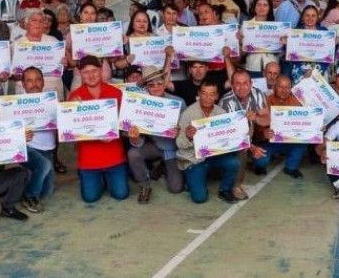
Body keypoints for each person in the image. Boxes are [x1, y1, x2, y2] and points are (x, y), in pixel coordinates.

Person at [67, 55, 128, 203]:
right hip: (88, 159)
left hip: (114, 156)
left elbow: (124, 123)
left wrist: (116, 132)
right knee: (90, 198)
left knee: (121, 194)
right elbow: (70, 132)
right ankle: (98, 178)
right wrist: (72, 110)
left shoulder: (116, 93)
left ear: (101, 71)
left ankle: (107, 178)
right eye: (86, 72)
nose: (91, 75)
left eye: (94, 70)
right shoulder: (74, 97)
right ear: (80, 74)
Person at [175, 81, 241, 204]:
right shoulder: (188, 114)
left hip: (213, 156)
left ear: (217, 96)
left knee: (233, 162)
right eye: (204, 94)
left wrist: (240, 137)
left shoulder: (221, 113)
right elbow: (179, 144)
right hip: (193, 159)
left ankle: (224, 190)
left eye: (212, 94)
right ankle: (191, 179)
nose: (208, 98)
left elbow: (228, 137)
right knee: (200, 198)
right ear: (199, 94)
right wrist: (189, 137)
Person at [126, 66, 185, 204]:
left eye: (159, 83)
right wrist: (134, 138)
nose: (156, 87)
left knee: (176, 188)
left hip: (172, 148)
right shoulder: (138, 105)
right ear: (146, 88)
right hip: (153, 145)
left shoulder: (178, 102)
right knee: (133, 153)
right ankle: (144, 185)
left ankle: (163, 167)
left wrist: (179, 133)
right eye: (151, 85)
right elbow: (137, 141)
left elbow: (188, 133)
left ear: (165, 84)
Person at [12, 67, 57, 214]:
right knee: (44, 165)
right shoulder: (13, 105)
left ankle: (22, 183)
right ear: (23, 85)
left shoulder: (52, 102)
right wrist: (20, 136)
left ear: (43, 82)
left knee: (47, 192)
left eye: (38, 79)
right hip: (27, 148)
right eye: (29, 81)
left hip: (48, 149)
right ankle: (29, 196)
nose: (34, 84)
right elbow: (7, 136)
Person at [219, 70, 267, 201]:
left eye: (245, 83)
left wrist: (256, 118)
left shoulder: (257, 93)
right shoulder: (226, 101)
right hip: (231, 139)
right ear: (232, 85)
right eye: (237, 84)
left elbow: (267, 119)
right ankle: (236, 185)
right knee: (242, 149)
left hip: (250, 135)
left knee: (262, 159)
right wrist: (251, 147)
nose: (241, 87)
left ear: (251, 84)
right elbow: (230, 135)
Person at [252, 75, 307, 179]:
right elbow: (255, 126)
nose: (284, 90)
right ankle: (258, 165)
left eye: (287, 87)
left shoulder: (296, 103)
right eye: (280, 87)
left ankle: (291, 167)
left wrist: (315, 128)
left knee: (302, 144)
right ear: (274, 88)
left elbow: (304, 124)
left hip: (289, 141)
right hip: (268, 142)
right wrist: (263, 132)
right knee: (261, 162)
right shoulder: (264, 102)